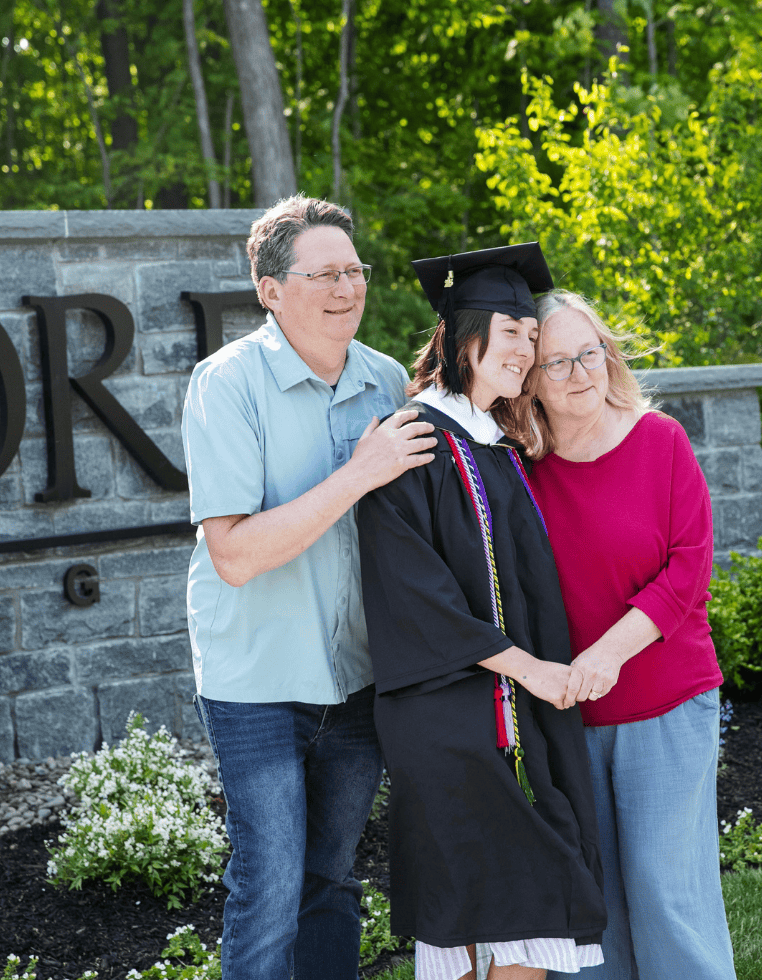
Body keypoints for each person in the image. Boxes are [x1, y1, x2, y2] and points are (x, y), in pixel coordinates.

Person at [180, 195, 438, 980]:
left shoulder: (388, 381)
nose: (346, 288)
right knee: (269, 887)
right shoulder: (225, 385)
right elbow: (235, 554)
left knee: (333, 880)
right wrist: (359, 474)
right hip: (257, 682)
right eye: (322, 273)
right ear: (269, 290)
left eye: (354, 270)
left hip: (358, 678)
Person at [356, 244, 607, 980]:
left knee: (503, 912)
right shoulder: (414, 443)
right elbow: (417, 599)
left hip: (510, 707)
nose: (526, 352)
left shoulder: (497, 444)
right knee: (500, 905)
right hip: (453, 718)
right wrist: (529, 671)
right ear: (466, 337)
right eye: (511, 334)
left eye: (532, 337)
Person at [526, 290, 737, 980]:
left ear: (608, 355)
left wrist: (606, 655)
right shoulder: (519, 468)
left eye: (589, 353)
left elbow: (688, 569)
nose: (579, 372)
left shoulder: (659, 439)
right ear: (529, 379)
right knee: (594, 905)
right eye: (556, 363)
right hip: (566, 714)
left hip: (666, 702)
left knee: (665, 892)